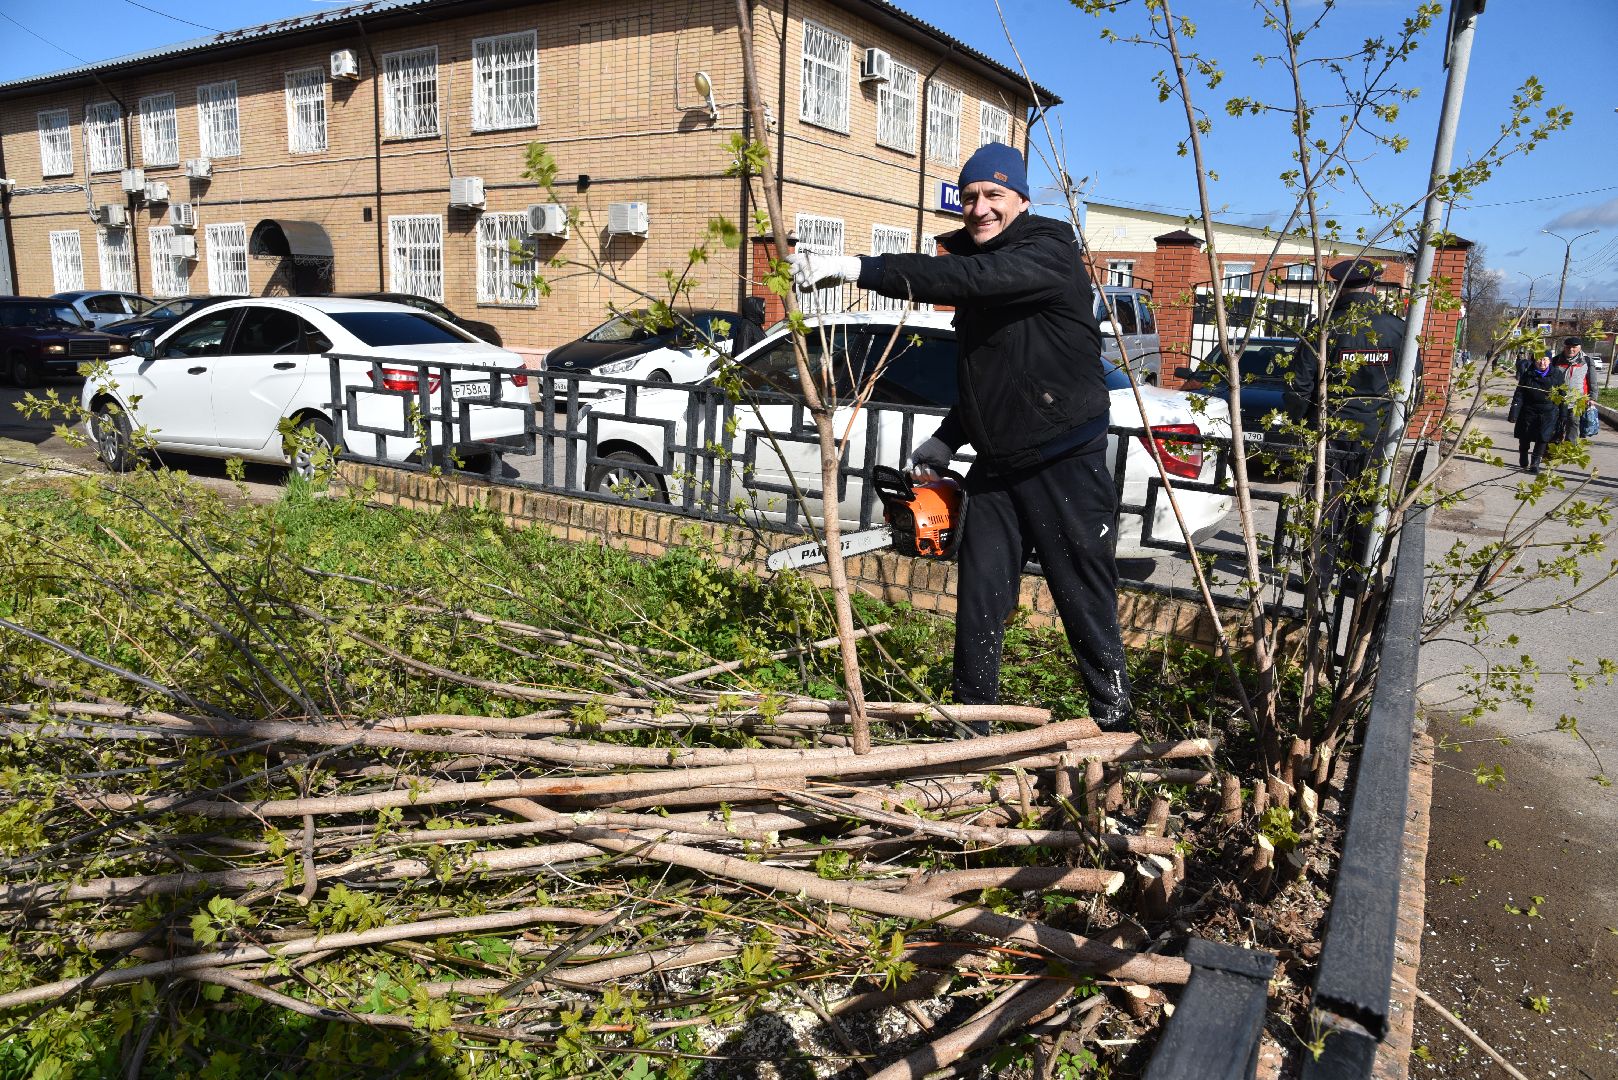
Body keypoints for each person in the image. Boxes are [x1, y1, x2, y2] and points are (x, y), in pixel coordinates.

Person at [785, 142, 1131, 730]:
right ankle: (974, 726)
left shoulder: (1048, 252)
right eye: (970, 196)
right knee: (980, 597)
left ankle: (1117, 722)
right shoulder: (980, 264)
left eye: (994, 195)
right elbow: (990, 377)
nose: (980, 208)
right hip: (998, 462)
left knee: (1081, 597)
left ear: (1021, 199)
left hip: (1062, 458)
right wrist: (948, 437)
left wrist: (858, 268)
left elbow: (971, 277)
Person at [1284, 258, 1410, 572]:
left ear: (1337, 288)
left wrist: (1302, 422)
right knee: (1368, 504)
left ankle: (1320, 577)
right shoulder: (1397, 328)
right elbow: (1413, 386)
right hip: (1376, 435)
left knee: (1324, 504)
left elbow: (1297, 384)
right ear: (1374, 286)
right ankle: (1359, 575)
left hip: (1328, 434)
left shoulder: (1324, 327)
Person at [1514, 353, 1564, 473]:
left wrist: (1563, 414)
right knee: (1525, 435)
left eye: (1545, 359)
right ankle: (1523, 453)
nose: (1542, 363)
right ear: (1534, 361)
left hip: (1549, 411)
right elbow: (1519, 394)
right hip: (1529, 410)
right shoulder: (1528, 374)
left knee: (1543, 437)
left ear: (1550, 360)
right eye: (1538, 360)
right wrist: (1514, 413)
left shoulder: (1557, 374)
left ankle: (1535, 463)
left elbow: (1562, 395)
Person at [1548, 338, 1592, 443]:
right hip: (1558, 399)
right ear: (1564, 347)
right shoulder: (1556, 360)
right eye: (1568, 347)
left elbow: (1592, 381)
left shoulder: (1586, 361)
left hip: (1577, 400)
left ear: (1580, 348)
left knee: (1573, 424)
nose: (1571, 349)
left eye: (1574, 347)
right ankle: (1553, 448)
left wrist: (1592, 397)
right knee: (1555, 423)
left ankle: (1570, 449)